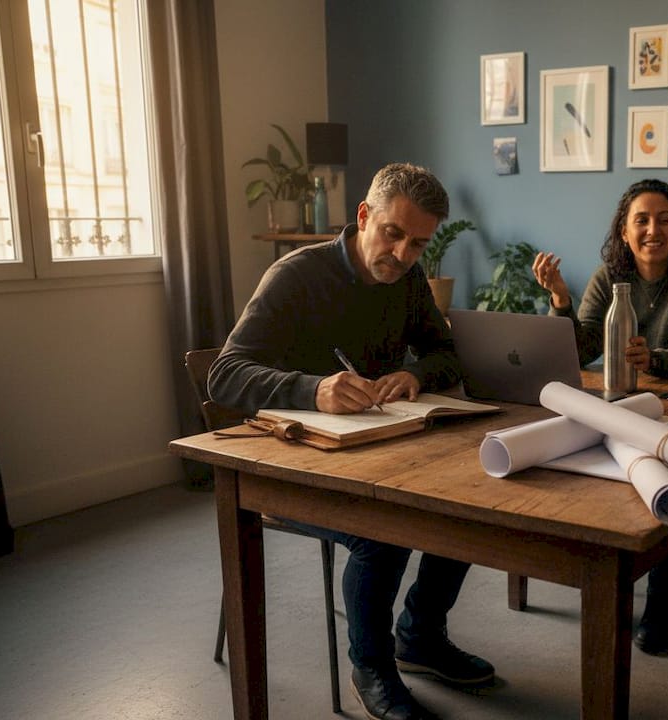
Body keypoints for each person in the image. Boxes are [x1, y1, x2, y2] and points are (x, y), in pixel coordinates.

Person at [209, 162, 492, 720]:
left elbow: (444, 352)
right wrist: (313, 390)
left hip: (374, 448)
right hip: (292, 460)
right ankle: (372, 668)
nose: (404, 254)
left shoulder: (407, 280)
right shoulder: (295, 275)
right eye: (393, 234)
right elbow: (224, 375)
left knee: (471, 504)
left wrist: (416, 374)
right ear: (364, 216)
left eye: (418, 244)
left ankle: (419, 635)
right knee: (380, 531)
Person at [532, 178, 668, 655]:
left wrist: (654, 358)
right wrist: (559, 299)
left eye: (664, 219)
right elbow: (582, 350)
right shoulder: (607, 278)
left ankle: (661, 600)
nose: (653, 229)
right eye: (641, 220)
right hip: (619, 403)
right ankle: (606, 579)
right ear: (624, 230)